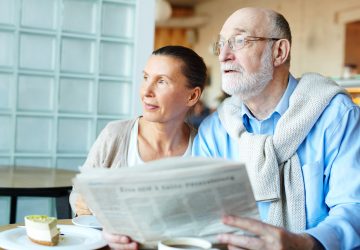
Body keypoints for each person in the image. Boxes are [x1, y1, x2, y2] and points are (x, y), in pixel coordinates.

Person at [193, 7, 360, 250]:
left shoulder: (337, 116)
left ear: (279, 51)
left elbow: (354, 206)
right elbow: (195, 208)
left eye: (239, 41)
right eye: (221, 44)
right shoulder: (214, 130)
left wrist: (302, 243)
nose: (224, 55)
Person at [70, 45, 207, 249]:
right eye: (145, 78)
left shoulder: (204, 148)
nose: (146, 91)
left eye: (161, 81)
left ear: (192, 96)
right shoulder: (115, 135)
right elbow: (80, 200)